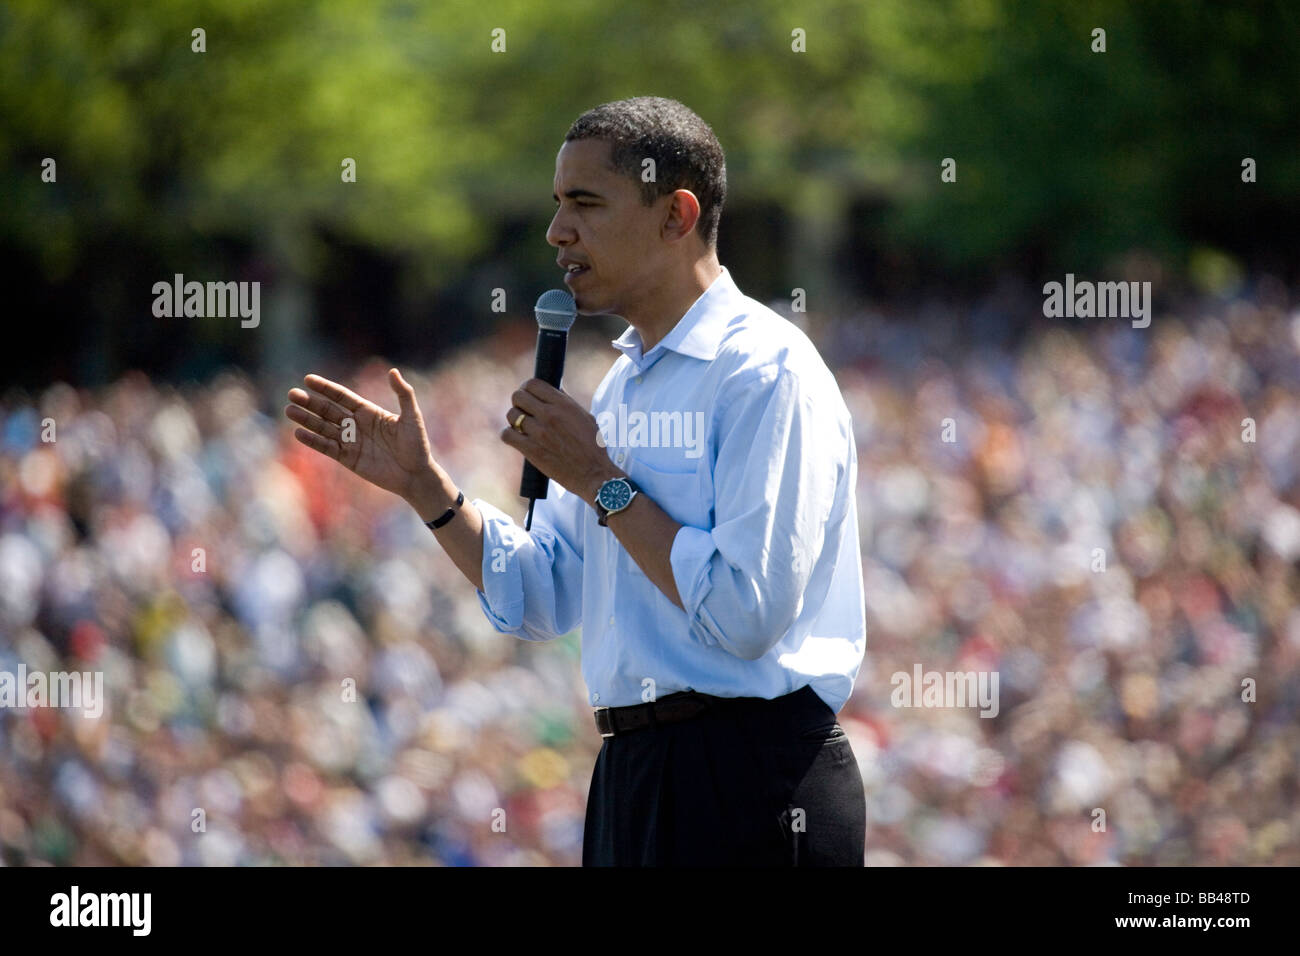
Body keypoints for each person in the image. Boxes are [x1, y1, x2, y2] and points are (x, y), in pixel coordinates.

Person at [285, 96, 866, 866]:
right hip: (631, 774)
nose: (558, 232)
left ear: (676, 214)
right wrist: (426, 489)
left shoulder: (764, 369)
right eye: (558, 206)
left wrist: (603, 481)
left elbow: (746, 612)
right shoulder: (623, 388)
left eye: (586, 204)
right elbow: (540, 596)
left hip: (753, 779)